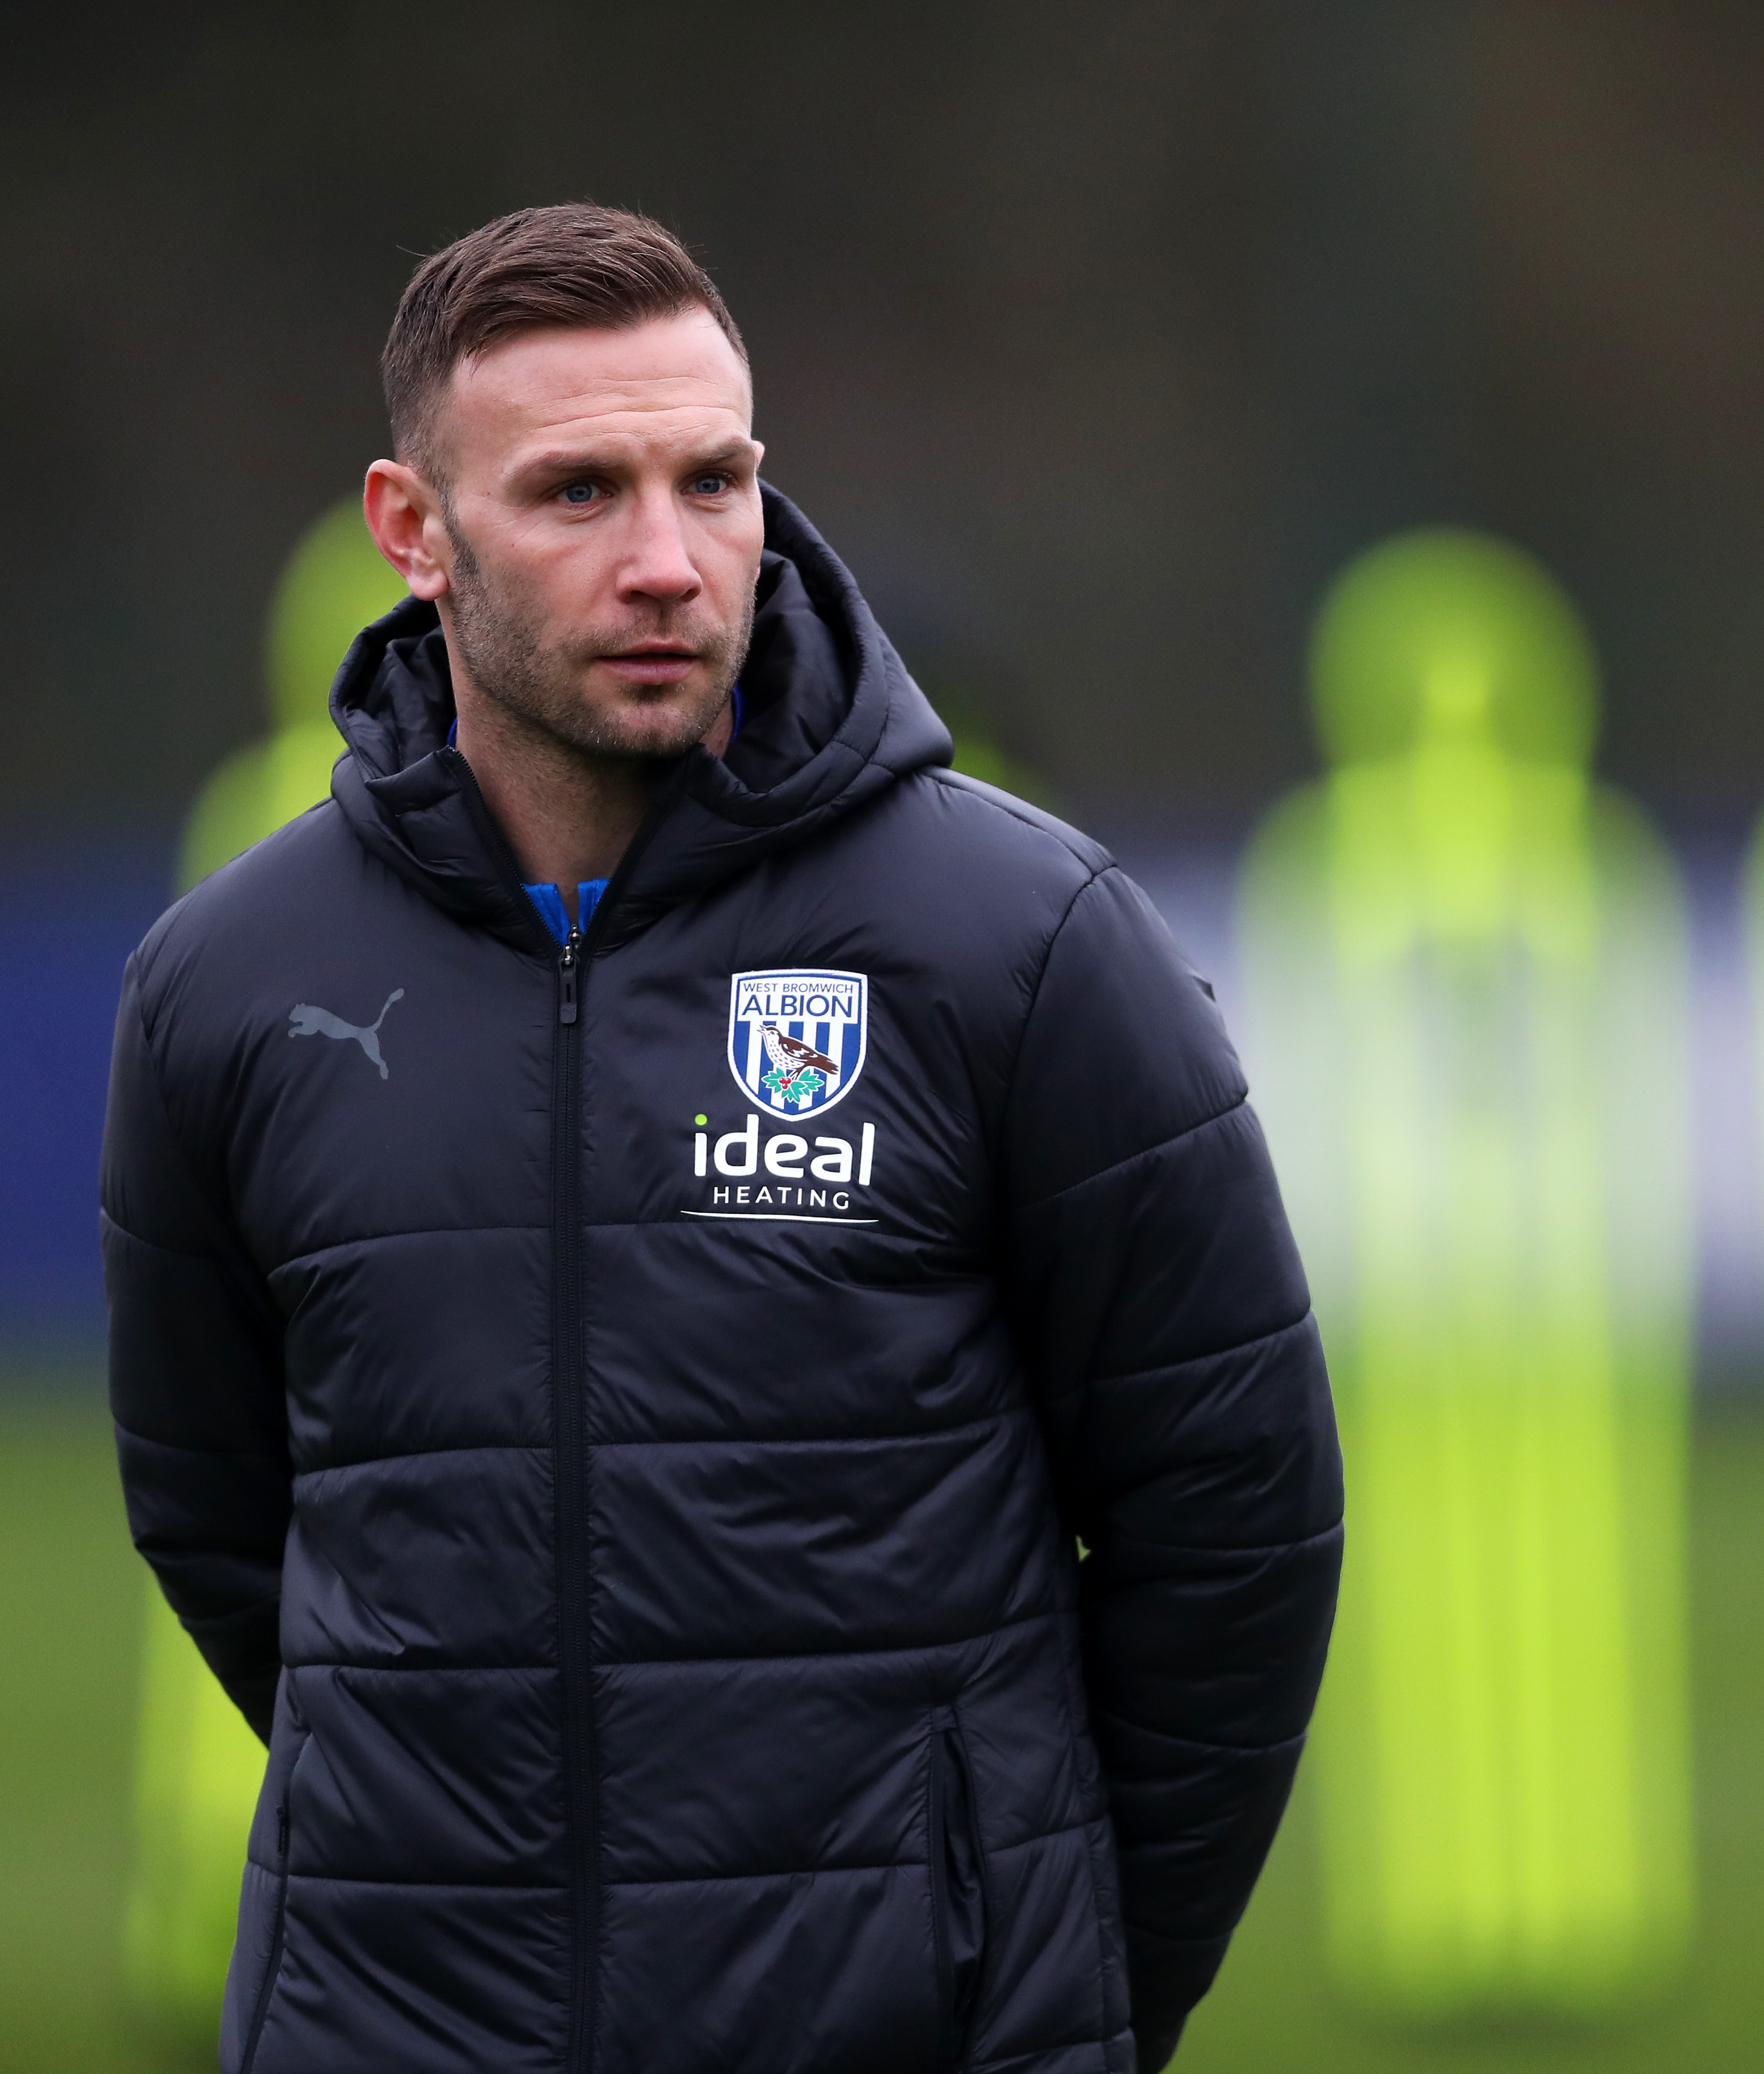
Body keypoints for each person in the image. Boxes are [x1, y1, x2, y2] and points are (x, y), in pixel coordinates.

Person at [102, 203, 1343, 2073]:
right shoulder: (229, 983)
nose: (671, 561)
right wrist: (447, 1862)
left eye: (717, 480)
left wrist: (1051, 1975)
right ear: (412, 531)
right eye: (580, 492)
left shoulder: (1026, 944)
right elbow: (218, 1517)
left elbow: (1232, 1515)